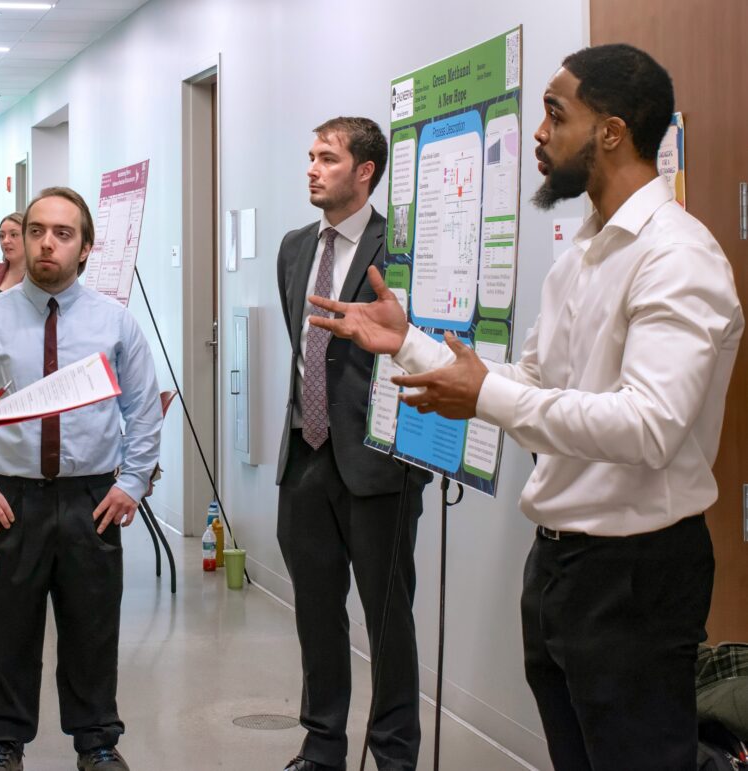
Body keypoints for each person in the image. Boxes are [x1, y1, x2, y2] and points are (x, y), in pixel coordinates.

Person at [310, 45, 743, 771]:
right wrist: (408, 343)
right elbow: (534, 380)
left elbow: (649, 425)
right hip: (560, 566)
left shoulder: (677, 257)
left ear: (611, 131)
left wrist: (486, 392)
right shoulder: (586, 251)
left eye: (555, 113)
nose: (538, 134)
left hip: (635, 574)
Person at [0, 186, 162, 771]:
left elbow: (143, 411)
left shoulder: (115, 324)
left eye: (63, 234)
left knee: (92, 624)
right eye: (38, 229)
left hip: (90, 497)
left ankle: (96, 741)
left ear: (86, 248)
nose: (47, 243)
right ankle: (2, 741)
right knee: (8, 625)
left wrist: (133, 483)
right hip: (9, 497)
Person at [275, 117, 431, 771]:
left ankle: (394, 755)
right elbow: (304, 349)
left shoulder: (402, 248)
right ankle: (323, 746)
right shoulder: (292, 247)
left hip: (379, 466)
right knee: (315, 611)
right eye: (310, 156)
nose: (312, 168)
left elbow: (420, 344)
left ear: (365, 171)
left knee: (387, 619)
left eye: (328, 158)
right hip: (306, 456)